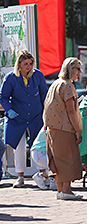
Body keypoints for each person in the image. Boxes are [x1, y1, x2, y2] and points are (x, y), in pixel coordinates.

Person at [0, 51, 48, 187]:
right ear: (19, 64)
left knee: (38, 145)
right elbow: (3, 97)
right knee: (19, 146)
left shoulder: (38, 75)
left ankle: (42, 173)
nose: (29, 66)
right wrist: (9, 110)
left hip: (35, 116)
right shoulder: (11, 78)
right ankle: (20, 176)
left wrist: (46, 111)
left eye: (31, 63)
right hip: (18, 116)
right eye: (25, 64)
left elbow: (44, 94)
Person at [43, 57, 83, 200]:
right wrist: (78, 130)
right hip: (64, 128)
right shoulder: (67, 85)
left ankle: (61, 190)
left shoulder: (55, 84)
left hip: (52, 128)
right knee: (68, 159)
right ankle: (66, 190)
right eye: (78, 68)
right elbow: (71, 111)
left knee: (57, 160)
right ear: (71, 68)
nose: (80, 72)